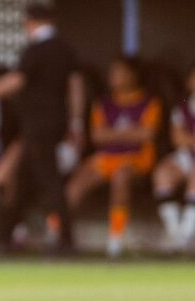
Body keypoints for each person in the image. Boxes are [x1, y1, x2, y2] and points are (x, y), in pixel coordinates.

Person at [0, 3, 86, 254]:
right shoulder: (65, 49)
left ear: (31, 22)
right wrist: (76, 122)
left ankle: (65, 239)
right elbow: (76, 87)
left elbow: (17, 80)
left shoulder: (37, 49)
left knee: (48, 180)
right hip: (55, 124)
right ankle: (3, 234)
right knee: (22, 179)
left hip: (39, 126)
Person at [66, 57, 162, 257]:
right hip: (106, 159)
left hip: (136, 160)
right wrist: (130, 133)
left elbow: (147, 134)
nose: (114, 77)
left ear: (132, 75)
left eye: (119, 72)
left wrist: (113, 134)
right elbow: (97, 136)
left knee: (121, 177)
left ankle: (115, 239)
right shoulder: (104, 103)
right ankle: (60, 234)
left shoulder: (149, 101)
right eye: (112, 72)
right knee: (76, 185)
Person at [154, 65, 195, 251]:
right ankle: (175, 234)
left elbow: (185, 137)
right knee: (163, 174)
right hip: (188, 156)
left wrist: (188, 138)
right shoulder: (183, 107)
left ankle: (186, 236)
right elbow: (178, 139)